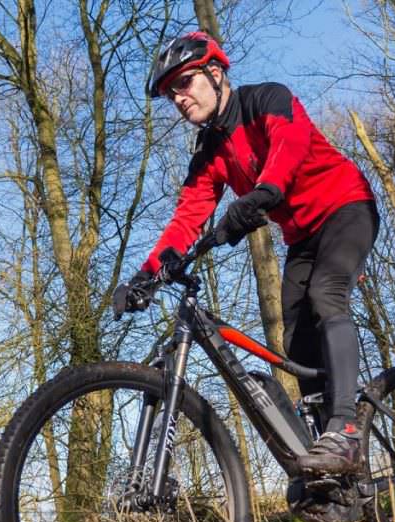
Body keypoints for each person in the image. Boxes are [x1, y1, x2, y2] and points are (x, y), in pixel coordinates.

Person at [113, 31, 380, 477]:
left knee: (326, 294)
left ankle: (346, 428)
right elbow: (187, 217)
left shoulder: (267, 99)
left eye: (184, 83)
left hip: (347, 206)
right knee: (296, 344)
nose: (177, 99)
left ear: (215, 74)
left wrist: (261, 194)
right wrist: (146, 275)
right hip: (302, 237)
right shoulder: (209, 152)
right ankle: (330, 474)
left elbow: (287, 147)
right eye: (169, 93)